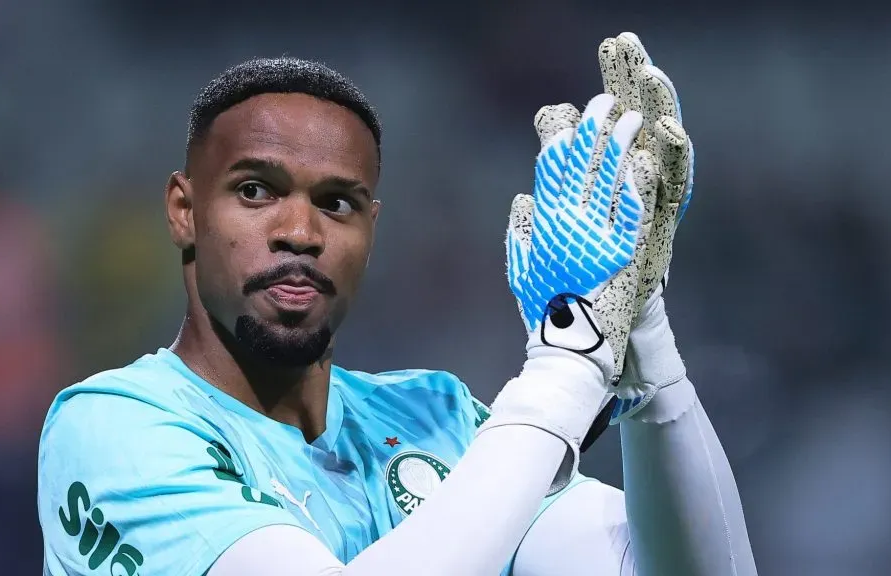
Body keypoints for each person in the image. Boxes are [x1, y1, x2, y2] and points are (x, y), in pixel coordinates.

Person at [39, 33, 758, 576]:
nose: (299, 231)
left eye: (338, 202)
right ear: (184, 210)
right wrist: (568, 364)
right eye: (255, 190)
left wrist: (642, 348)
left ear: (371, 230)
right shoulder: (114, 429)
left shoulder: (438, 419)